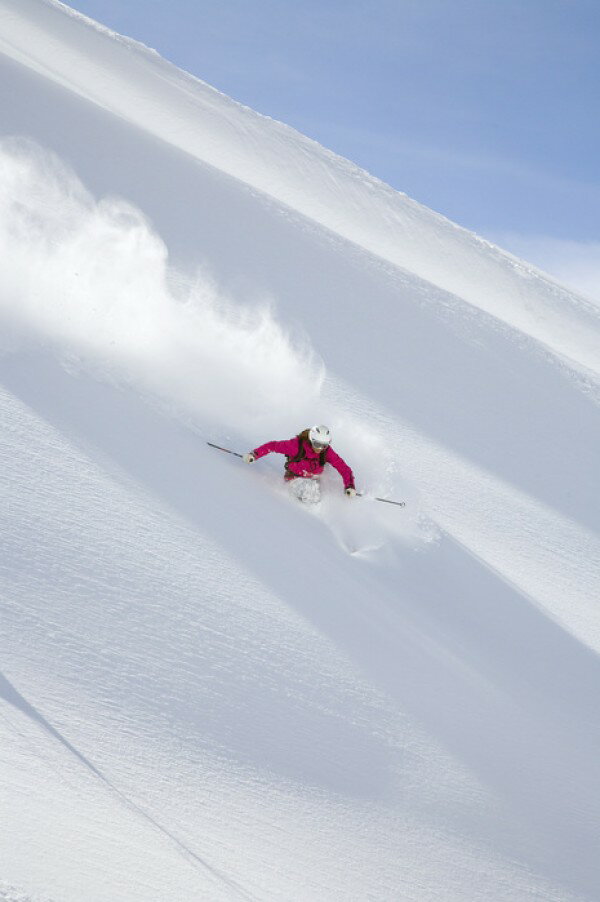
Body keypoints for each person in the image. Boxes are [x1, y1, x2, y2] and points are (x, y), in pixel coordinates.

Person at [243, 425, 356, 496]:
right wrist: (254, 454)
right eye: (317, 444)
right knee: (309, 491)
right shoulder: (296, 446)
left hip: (316, 478)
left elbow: (343, 467)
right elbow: (273, 446)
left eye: (324, 445)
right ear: (311, 440)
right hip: (295, 478)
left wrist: (349, 486)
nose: (320, 448)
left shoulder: (326, 451)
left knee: (321, 485)